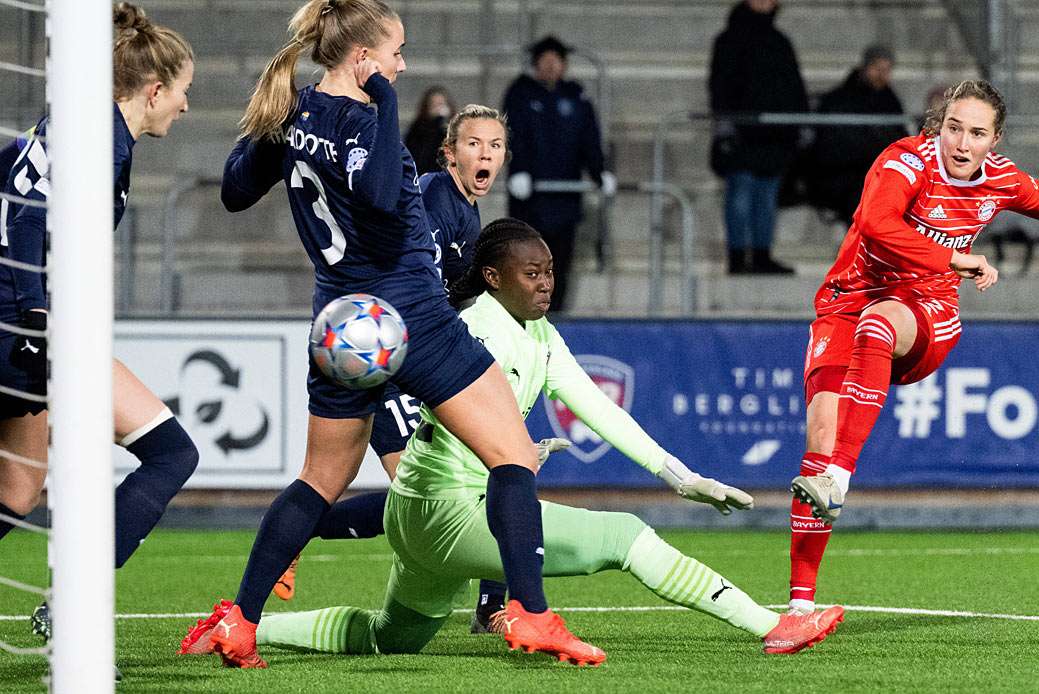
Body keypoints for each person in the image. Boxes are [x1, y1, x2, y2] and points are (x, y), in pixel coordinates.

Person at [179, 219, 838, 662]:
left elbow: (596, 408)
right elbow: (410, 404)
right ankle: (772, 625)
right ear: (494, 277)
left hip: (420, 513)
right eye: (531, 272)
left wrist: (680, 475)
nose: (546, 281)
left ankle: (244, 623)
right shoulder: (477, 333)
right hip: (448, 510)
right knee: (625, 537)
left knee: (393, 639)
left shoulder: (539, 337)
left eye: (549, 270)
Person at [196, 0, 595, 668]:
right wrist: (381, 102)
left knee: (318, 478)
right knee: (514, 456)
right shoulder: (362, 116)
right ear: (362, 59)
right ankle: (527, 611)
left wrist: (269, 126)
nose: (401, 65)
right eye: (394, 53)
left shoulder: (294, 111)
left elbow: (235, 192)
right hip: (410, 313)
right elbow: (382, 196)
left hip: (341, 323)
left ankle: (240, 618)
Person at [786, 80, 1039, 638]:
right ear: (940, 125)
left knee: (881, 324)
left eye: (976, 132)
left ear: (993, 139)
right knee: (819, 434)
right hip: (843, 303)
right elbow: (879, 224)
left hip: (922, 312)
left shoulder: (1000, 179)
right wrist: (954, 256)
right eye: (954, 127)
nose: (961, 141)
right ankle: (799, 608)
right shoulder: (903, 162)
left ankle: (838, 478)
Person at [0, 0, 197, 640]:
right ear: (154, 89)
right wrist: (38, 313)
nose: (187, 107)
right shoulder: (99, 138)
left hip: (28, 325)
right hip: (30, 330)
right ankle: (75, 612)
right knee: (170, 453)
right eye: (183, 93)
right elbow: (28, 216)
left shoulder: (78, 122)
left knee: (16, 494)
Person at [272, 104, 515, 602]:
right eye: (474, 143)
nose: (485, 153)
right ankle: (293, 533)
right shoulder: (432, 198)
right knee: (429, 495)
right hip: (387, 358)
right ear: (450, 153)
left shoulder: (467, 212)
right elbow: (406, 278)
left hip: (416, 362)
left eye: (495, 145)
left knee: (470, 480)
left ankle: (495, 601)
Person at [502, 35, 615, 312]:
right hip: (530, 202)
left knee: (558, 265)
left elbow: (589, 138)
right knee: (526, 264)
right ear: (536, 64)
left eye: (557, 61)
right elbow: (512, 134)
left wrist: (600, 172)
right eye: (545, 61)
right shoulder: (520, 94)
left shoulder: (576, 97)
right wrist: (517, 169)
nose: (551, 67)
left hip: (565, 200)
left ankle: (556, 319)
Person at [707, 0, 808, 275]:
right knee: (741, 193)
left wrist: (800, 125)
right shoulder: (729, 39)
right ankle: (738, 257)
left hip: (775, 134)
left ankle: (762, 254)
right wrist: (725, 127)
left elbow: (793, 85)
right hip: (742, 132)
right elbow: (720, 85)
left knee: (766, 196)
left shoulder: (780, 41)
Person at [808, 44, 908, 226]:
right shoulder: (840, 100)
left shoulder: (889, 100)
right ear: (866, 67)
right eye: (877, 68)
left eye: (886, 70)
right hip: (845, 175)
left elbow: (899, 137)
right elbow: (831, 147)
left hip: (879, 173)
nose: (881, 75)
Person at [404, 86, 454, 174]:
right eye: (434, 105)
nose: (438, 109)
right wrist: (436, 123)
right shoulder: (417, 130)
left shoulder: (455, 130)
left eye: (441, 104)